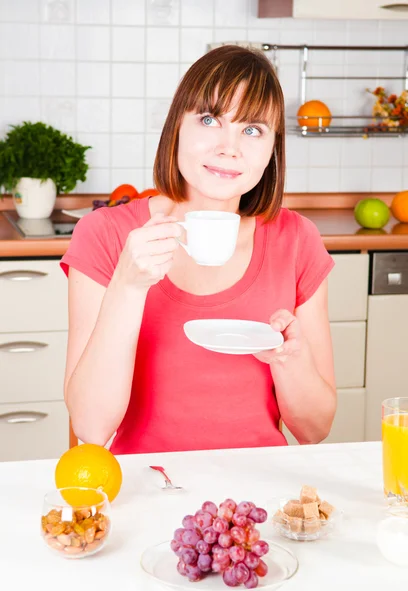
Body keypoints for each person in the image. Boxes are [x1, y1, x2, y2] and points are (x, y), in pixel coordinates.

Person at [61, 45, 336, 455]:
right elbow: (90, 427)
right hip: (146, 489)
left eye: (252, 129)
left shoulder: (296, 239)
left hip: (258, 496)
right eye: (210, 120)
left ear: (271, 150)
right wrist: (129, 287)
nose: (229, 147)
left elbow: (315, 430)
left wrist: (289, 359)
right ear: (177, 128)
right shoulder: (105, 235)